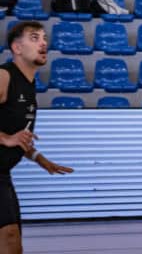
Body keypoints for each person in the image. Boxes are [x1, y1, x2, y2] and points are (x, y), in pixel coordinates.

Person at [1, 21, 73, 254]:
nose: (43, 43)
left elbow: (18, 137)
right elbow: (10, 137)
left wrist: (40, 158)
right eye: (34, 38)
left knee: (13, 242)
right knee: (10, 239)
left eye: (44, 37)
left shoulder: (29, 86)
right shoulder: (4, 76)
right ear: (17, 48)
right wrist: (5, 138)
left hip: (3, 173)